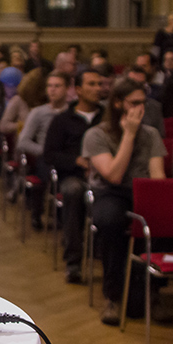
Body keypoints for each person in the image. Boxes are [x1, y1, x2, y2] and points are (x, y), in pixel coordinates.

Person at [82, 78, 166, 326]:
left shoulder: (150, 134)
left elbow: (158, 177)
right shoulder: (96, 134)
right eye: (135, 103)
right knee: (110, 221)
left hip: (143, 191)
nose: (141, 108)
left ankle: (153, 291)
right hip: (110, 192)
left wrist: (160, 204)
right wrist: (128, 135)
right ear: (118, 104)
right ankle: (113, 296)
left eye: (144, 102)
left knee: (165, 219)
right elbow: (114, 175)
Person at [43, 70, 104, 284]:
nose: (98, 88)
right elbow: (49, 154)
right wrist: (76, 160)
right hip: (74, 176)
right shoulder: (62, 120)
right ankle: (74, 261)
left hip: (105, 175)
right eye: (92, 84)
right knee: (73, 191)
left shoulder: (106, 117)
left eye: (100, 84)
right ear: (78, 90)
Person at [17, 71, 70, 229]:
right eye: (49, 86)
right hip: (45, 157)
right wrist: (45, 151)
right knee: (49, 172)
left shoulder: (71, 112)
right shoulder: (38, 112)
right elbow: (23, 142)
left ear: (67, 89)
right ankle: (38, 213)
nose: (52, 90)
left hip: (66, 157)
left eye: (57, 86)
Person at [124, 65, 166, 138]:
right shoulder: (114, 105)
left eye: (141, 84)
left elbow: (160, 137)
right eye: (133, 83)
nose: (138, 87)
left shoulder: (155, 107)